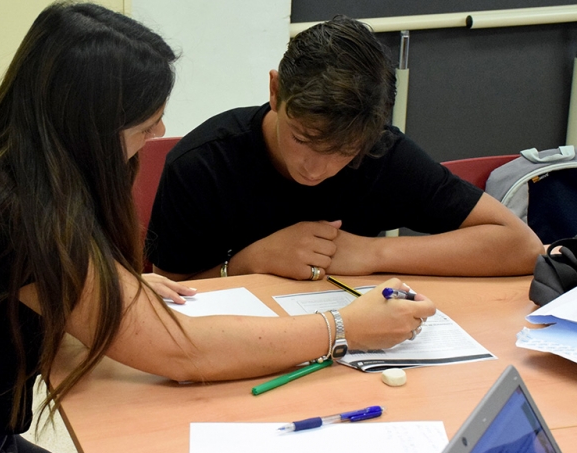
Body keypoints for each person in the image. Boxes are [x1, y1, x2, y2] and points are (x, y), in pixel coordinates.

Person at [0, 1, 435, 453]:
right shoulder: (7, 204)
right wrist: (344, 327)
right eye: (146, 123)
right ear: (89, 123)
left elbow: (31, 287)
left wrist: (114, 285)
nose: (161, 134)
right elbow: (182, 352)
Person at [146, 16, 545, 282]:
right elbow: (164, 293)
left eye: (343, 152)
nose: (316, 170)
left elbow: (521, 245)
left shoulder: (380, 151)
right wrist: (246, 265)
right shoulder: (203, 164)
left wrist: (372, 253)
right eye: (302, 139)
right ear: (275, 92)